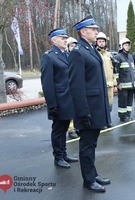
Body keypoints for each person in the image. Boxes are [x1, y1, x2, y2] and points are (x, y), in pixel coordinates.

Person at [68, 15, 111, 193]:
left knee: (92, 144)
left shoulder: (91, 50)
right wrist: (83, 112)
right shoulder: (78, 52)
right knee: (86, 146)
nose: (96, 32)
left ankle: (93, 174)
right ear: (83, 32)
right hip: (88, 110)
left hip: (96, 108)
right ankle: (88, 180)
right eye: (93, 29)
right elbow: (76, 86)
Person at [40, 28, 78, 169]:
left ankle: (64, 153)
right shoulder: (49, 56)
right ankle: (58, 156)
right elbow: (47, 83)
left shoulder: (67, 55)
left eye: (65, 38)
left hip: (68, 100)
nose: (65, 40)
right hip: (58, 101)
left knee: (64, 128)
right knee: (58, 130)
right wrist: (52, 105)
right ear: (54, 40)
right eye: (62, 38)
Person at [114, 37, 135, 122]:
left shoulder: (130, 57)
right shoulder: (118, 57)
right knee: (123, 101)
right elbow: (116, 71)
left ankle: (128, 115)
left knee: (130, 101)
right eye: (125, 45)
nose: (127, 47)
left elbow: (133, 71)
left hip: (131, 84)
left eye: (128, 45)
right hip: (123, 85)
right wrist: (118, 83)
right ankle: (122, 116)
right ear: (121, 46)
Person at [95, 32, 114, 128]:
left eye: (103, 41)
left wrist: (115, 81)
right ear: (96, 42)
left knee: (109, 104)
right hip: (101, 84)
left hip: (110, 84)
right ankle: (101, 122)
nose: (101, 43)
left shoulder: (109, 54)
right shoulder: (95, 53)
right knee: (101, 105)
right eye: (99, 41)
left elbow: (112, 68)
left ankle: (108, 121)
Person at [66, 37, 79, 139]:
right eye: (71, 46)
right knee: (71, 109)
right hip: (69, 87)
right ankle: (71, 130)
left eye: (75, 45)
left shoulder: (79, 57)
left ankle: (77, 126)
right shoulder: (66, 57)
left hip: (77, 87)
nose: (73, 47)